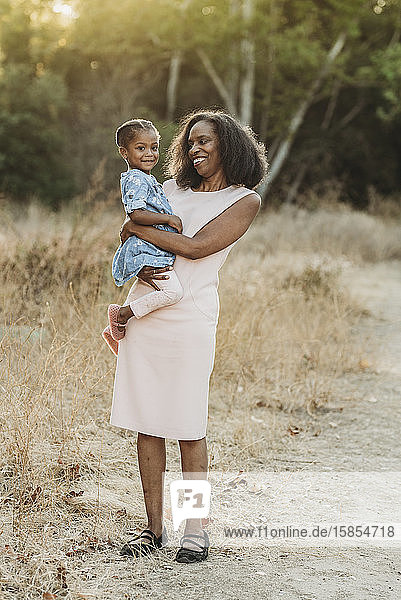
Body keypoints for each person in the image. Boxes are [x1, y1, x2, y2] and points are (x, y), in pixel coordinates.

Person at [110, 109, 268, 563]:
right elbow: (132, 229)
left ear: (230, 146)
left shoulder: (244, 200)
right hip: (148, 308)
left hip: (191, 319)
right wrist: (138, 230)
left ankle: (194, 530)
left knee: (188, 426)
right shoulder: (171, 189)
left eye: (206, 141)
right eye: (190, 141)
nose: (195, 148)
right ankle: (153, 529)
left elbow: (197, 247)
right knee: (147, 423)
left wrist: (139, 229)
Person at [102, 119, 184, 355]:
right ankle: (121, 315)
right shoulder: (137, 179)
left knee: (150, 292)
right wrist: (167, 219)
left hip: (151, 247)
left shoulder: (146, 178)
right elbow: (135, 213)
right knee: (172, 293)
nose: (150, 153)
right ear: (124, 152)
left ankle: (118, 335)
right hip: (148, 250)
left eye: (154, 147)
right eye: (141, 148)